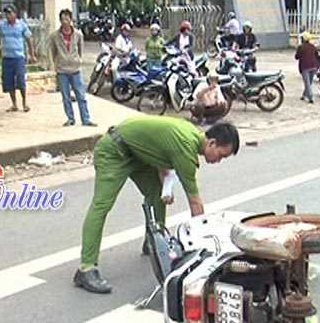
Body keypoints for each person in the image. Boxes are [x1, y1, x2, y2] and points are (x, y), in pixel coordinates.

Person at [73, 117, 240, 294]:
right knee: (101, 206)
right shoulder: (186, 146)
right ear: (212, 143)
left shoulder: (191, 134)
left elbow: (159, 151)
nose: (219, 160)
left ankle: (154, 242)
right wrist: (203, 245)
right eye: (221, 155)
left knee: (157, 195)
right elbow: (195, 202)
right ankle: (86, 268)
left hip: (137, 153)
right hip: (114, 150)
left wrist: (166, 186)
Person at [48, 9, 96, 127]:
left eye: (67, 19)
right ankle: (70, 118)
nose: (65, 22)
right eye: (62, 19)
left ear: (71, 19)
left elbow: (80, 50)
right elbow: (52, 51)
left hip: (75, 69)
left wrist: (78, 60)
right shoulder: (54, 36)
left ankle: (86, 119)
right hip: (62, 70)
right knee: (66, 96)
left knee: (81, 95)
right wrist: (55, 63)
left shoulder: (78, 34)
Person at [0, 6, 38, 112]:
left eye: (10, 13)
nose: (8, 16)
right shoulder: (2, 25)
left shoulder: (21, 25)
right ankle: (14, 104)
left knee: (21, 80)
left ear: (15, 13)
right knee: (9, 81)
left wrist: (32, 54)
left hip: (19, 57)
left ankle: (25, 103)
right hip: (7, 57)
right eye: (6, 14)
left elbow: (29, 39)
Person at [295, 32, 319, 104]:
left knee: (307, 83)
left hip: (305, 67)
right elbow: (317, 55)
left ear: (303, 39)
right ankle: (304, 95)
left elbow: (296, 57)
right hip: (313, 66)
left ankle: (310, 97)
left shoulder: (301, 47)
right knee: (309, 82)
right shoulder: (313, 46)